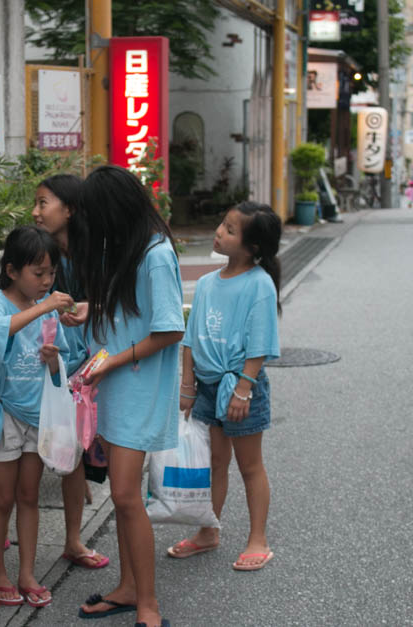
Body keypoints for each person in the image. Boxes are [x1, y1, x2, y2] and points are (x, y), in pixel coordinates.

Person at [71, 166, 184, 627]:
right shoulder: (124, 248)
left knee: (124, 494)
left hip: (137, 386)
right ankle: (128, 588)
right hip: (116, 386)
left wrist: (111, 361)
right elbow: (126, 310)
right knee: (122, 498)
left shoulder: (155, 254)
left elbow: (170, 329)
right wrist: (89, 310)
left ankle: (149, 605)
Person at [169, 202, 281, 574]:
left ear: (251, 248)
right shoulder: (205, 283)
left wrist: (244, 391)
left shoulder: (259, 284)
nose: (219, 231)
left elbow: (260, 345)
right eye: (223, 224)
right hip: (206, 386)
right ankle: (208, 531)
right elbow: (189, 339)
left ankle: (258, 539)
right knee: (215, 462)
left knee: (250, 466)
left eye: (230, 230)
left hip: (240, 387)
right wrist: (187, 384)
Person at [0, 225, 73, 608]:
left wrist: (54, 363)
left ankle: (27, 573)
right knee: (1, 498)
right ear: (13, 270)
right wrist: (43, 306)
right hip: (4, 416)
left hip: (38, 415)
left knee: (29, 496)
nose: (46, 281)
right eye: (39, 273)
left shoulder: (47, 310)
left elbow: (60, 367)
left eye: (51, 273)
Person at [32, 174, 111, 570]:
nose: (36, 211)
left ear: (70, 209)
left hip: (93, 365)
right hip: (45, 363)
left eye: (44, 202)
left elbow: (115, 303)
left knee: (78, 449)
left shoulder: (96, 255)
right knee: (49, 449)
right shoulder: (39, 252)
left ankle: (73, 540)